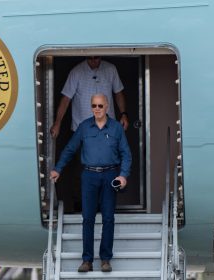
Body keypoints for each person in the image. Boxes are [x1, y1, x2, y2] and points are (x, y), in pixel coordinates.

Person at [50, 94, 131, 273]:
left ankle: (105, 259)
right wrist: (58, 169)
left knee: (108, 218)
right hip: (89, 176)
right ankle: (87, 260)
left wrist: (123, 176)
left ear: (107, 106)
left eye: (100, 106)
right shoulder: (84, 127)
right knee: (88, 219)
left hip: (110, 176)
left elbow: (126, 154)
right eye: (94, 105)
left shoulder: (117, 128)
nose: (97, 109)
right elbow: (70, 149)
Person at [50, 56, 129, 138]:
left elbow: (118, 93)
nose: (93, 61)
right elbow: (66, 99)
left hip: (107, 128)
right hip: (83, 129)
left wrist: (123, 114)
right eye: (90, 59)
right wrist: (57, 123)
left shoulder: (111, 69)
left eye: (96, 58)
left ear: (101, 56)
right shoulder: (76, 71)